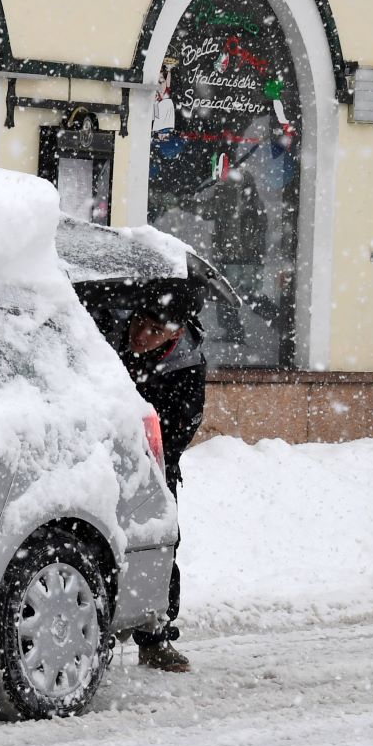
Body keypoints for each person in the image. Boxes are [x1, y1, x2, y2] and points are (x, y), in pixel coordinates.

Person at [115, 280, 207, 673]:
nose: (141, 335)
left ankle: (155, 638)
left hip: (154, 464)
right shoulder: (106, 330)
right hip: (95, 457)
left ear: (177, 332)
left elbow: (181, 426)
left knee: (157, 542)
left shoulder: (186, 364)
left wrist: (144, 454)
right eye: (139, 322)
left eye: (155, 331)